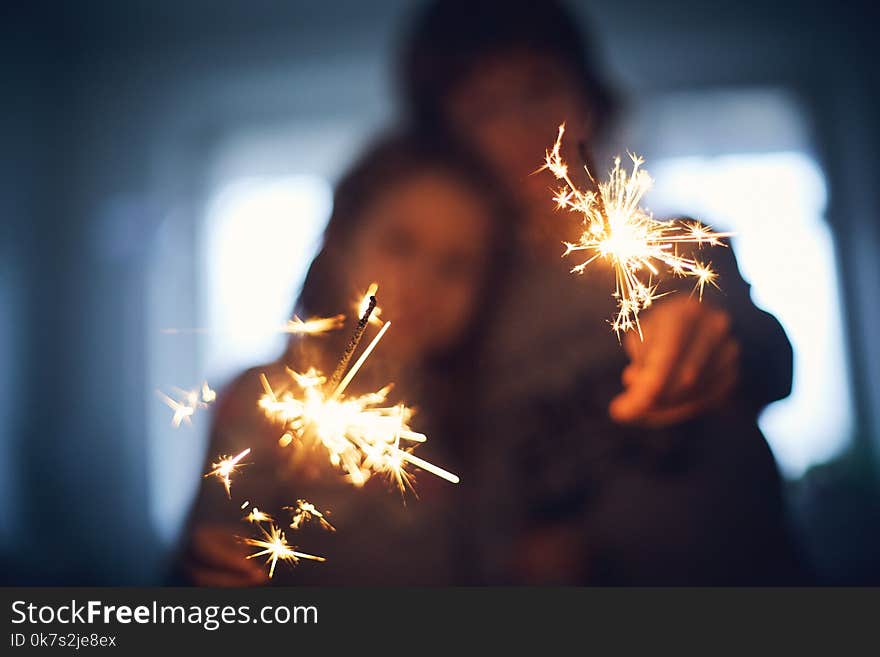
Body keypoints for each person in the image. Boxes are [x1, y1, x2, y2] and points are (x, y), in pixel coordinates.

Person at [398, 0, 808, 583]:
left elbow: (776, 364)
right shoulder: (466, 306)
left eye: (539, 88)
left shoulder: (678, 244)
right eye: (485, 109)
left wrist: (719, 348)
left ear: (587, 96)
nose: (522, 126)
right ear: (453, 142)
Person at [172, 133, 513, 585]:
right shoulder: (266, 398)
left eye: (455, 265)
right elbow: (206, 554)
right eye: (400, 244)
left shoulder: (477, 412)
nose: (422, 283)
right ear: (342, 245)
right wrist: (212, 560)